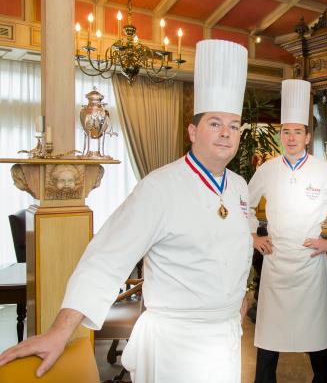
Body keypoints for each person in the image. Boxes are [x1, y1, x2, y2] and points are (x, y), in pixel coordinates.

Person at [0, 39, 253, 383]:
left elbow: (237, 248)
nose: (226, 133)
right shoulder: (160, 187)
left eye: (234, 125)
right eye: (215, 123)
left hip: (225, 340)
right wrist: (60, 331)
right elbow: (106, 259)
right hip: (175, 347)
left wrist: (241, 298)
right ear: (193, 131)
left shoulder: (239, 186)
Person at [248, 79, 327, 383]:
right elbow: (242, 205)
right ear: (280, 135)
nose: (291, 137)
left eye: (297, 131)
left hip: (310, 263)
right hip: (276, 265)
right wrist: (253, 236)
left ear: (307, 136)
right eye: (285, 131)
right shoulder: (267, 169)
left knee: (315, 339)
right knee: (269, 340)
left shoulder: (325, 171)